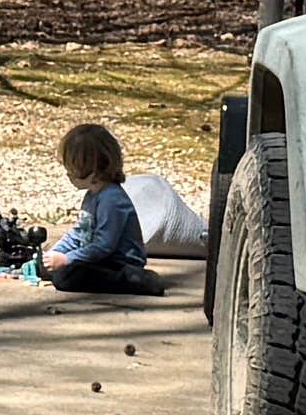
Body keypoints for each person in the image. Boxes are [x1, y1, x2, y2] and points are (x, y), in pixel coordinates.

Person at [31, 122, 202, 293]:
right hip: (99, 259)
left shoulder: (112, 200)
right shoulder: (92, 195)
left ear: (95, 171)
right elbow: (78, 233)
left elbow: (104, 246)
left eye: (73, 169)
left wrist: (67, 259)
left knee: (66, 277)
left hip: (120, 263)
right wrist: (54, 254)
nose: (68, 174)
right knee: (58, 272)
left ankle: (139, 281)